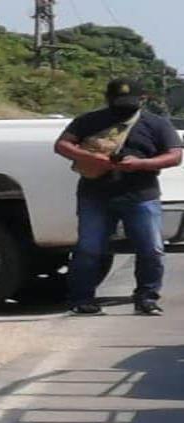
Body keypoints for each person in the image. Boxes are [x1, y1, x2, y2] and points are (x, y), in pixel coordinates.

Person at [55, 77, 183, 316]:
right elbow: (62, 145)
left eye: (130, 101)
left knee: (151, 250)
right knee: (89, 250)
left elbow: (175, 155)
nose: (123, 106)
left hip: (141, 194)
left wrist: (142, 164)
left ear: (143, 99)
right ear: (107, 99)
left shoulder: (156, 124)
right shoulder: (89, 120)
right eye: (117, 101)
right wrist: (91, 158)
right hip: (95, 195)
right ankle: (81, 300)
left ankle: (147, 298)